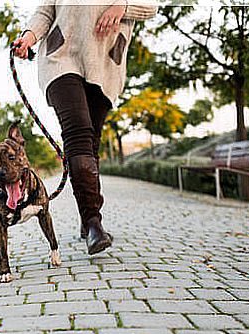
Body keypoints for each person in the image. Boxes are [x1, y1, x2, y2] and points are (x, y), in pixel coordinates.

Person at [13, 0, 158, 255]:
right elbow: (46, 10)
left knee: (91, 144)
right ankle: (93, 222)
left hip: (104, 62)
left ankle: (86, 217)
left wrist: (122, 7)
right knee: (78, 134)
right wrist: (29, 36)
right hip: (61, 57)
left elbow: (151, 5)